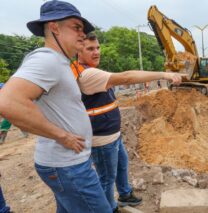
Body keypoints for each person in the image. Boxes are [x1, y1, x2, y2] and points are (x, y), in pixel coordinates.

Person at [0, 1, 113, 212]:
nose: (82, 34)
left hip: (67, 164)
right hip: (68, 166)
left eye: (83, 29)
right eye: (76, 27)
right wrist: (62, 136)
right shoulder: (47, 60)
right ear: (54, 27)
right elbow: (7, 102)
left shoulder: (59, 62)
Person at [72, 32, 184, 211]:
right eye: (90, 49)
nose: (96, 52)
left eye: (98, 47)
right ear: (79, 51)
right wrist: (164, 74)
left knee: (122, 165)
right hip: (102, 139)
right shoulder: (88, 74)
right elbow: (127, 77)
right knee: (106, 179)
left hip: (112, 134)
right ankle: (110, 208)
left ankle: (125, 194)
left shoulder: (91, 71)